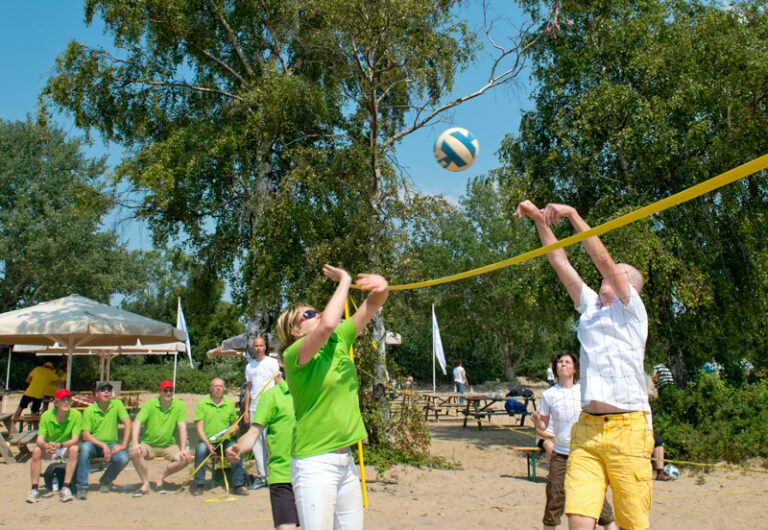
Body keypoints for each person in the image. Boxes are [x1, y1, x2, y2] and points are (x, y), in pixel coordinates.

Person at [515, 201, 653, 530]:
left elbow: (602, 259)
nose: (607, 275)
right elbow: (560, 261)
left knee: (631, 523)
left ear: (630, 287)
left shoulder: (632, 311)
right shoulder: (591, 307)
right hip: (587, 429)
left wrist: (574, 215)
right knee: (578, 520)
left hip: (628, 428)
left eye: (618, 274)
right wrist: (539, 221)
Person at [276, 264, 388, 529]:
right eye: (309, 313)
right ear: (295, 330)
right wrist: (345, 281)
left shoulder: (339, 339)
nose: (318, 314)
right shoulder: (294, 355)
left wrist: (382, 286)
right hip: (314, 463)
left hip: (345, 459)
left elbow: (372, 305)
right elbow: (326, 324)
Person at [531, 351, 617, 530]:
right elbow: (542, 428)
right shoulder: (548, 394)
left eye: (567, 362)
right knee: (555, 494)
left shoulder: (583, 391)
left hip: (584, 453)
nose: (563, 364)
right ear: (555, 368)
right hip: (560, 454)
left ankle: (610, 525)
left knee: (592, 493)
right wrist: (539, 423)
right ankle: (550, 526)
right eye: (560, 362)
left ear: (574, 368)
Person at [227, 368, 299, 529]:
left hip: (311, 474)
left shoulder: (315, 392)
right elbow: (253, 432)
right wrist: (237, 447)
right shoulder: (272, 396)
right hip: (282, 475)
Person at [130, 380, 191, 496]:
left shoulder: (179, 405)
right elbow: (137, 423)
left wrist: (183, 449)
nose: (168, 393)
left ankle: (160, 477)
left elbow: (182, 428)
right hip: (148, 444)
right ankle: (145, 484)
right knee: (135, 452)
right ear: (160, 392)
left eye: (170, 391)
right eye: (165, 391)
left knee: (185, 459)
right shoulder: (150, 405)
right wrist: (135, 444)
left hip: (169, 445)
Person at [191, 378, 247, 496]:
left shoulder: (229, 404)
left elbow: (234, 425)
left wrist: (234, 430)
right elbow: (199, 428)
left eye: (220, 386)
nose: (218, 388)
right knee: (200, 450)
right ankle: (199, 484)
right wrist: (207, 443)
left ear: (224, 388)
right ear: (211, 388)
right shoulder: (202, 403)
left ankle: (238, 484)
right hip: (207, 441)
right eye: (215, 386)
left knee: (236, 449)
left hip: (225, 441)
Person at [77, 381, 131, 500]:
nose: (106, 392)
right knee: (85, 448)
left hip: (111, 444)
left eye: (109, 389)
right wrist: (103, 446)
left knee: (124, 458)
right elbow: (85, 435)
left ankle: (105, 481)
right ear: (96, 394)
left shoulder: (117, 404)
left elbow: (128, 422)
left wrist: (123, 444)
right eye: (103, 389)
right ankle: (81, 487)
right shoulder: (89, 411)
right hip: (94, 444)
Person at [26, 389, 81, 503]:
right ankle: (34, 489)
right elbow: (39, 439)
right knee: (36, 451)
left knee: (75, 449)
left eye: (68, 399)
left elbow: (75, 439)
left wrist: (59, 445)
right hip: (49, 447)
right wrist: (46, 446)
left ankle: (66, 487)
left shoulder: (76, 415)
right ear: (56, 402)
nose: (66, 402)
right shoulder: (46, 415)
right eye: (63, 400)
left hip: (64, 447)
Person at [243, 335, 280, 487]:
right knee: (256, 442)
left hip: (270, 406)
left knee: (271, 441)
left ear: (265, 347)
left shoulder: (272, 362)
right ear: (253, 348)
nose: (258, 348)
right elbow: (248, 388)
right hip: (254, 407)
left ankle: (275, 476)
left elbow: (278, 383)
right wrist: (245, 410)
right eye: (256, 346)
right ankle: (261, 476)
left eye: (260, 346)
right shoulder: (249, 366)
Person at [11, 362, 58, 433]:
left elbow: (27, 380)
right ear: (51, 368)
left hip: (29, 392)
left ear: (44, 366)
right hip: (39, 395)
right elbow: (58, 382)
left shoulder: (37, 369)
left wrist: (34, 383)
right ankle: (35, 430)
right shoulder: (51, 373)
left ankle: (12, 427)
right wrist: (47, 383)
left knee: (20, 408)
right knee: (34, 412)